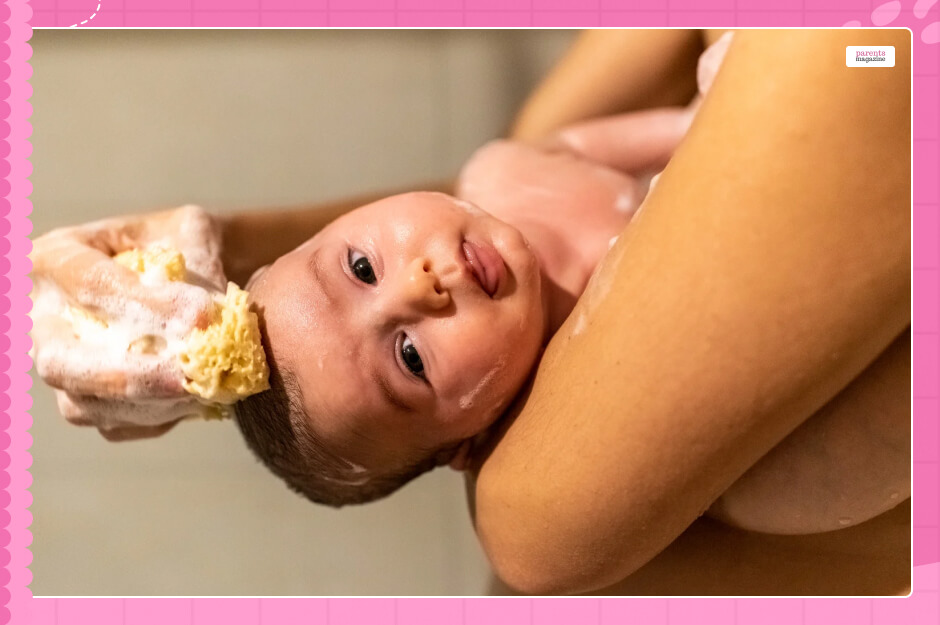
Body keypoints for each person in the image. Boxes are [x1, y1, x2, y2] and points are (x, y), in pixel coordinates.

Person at [28, 29, 911, 594]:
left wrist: (721, 103)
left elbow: (704, 125)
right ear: (467, 440)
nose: (421, 287)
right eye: (411, 357)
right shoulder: (557, 460)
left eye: (364, 262)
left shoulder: (509, 172)